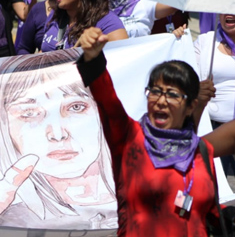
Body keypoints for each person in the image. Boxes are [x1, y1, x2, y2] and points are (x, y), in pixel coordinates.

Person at [76, 27, 222, 235]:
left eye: (172, 94)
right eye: (155, 91)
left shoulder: (202, 149)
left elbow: (210, 211)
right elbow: (107, 100)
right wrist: (93, 57)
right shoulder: (130, 138)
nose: (161, 101)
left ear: (191, 106)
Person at [0, 51, 117, 229]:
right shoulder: (14, 219)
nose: (58, 134)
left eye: (76, 107)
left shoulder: (151, 190)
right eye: (29, 113)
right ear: (4, 126)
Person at [193, 14, 235, 191]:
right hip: (214, 128)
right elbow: (188, 78)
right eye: (224, 9)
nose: (229, 14)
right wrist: (176, 38)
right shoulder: (206, 43)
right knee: (213, 187)